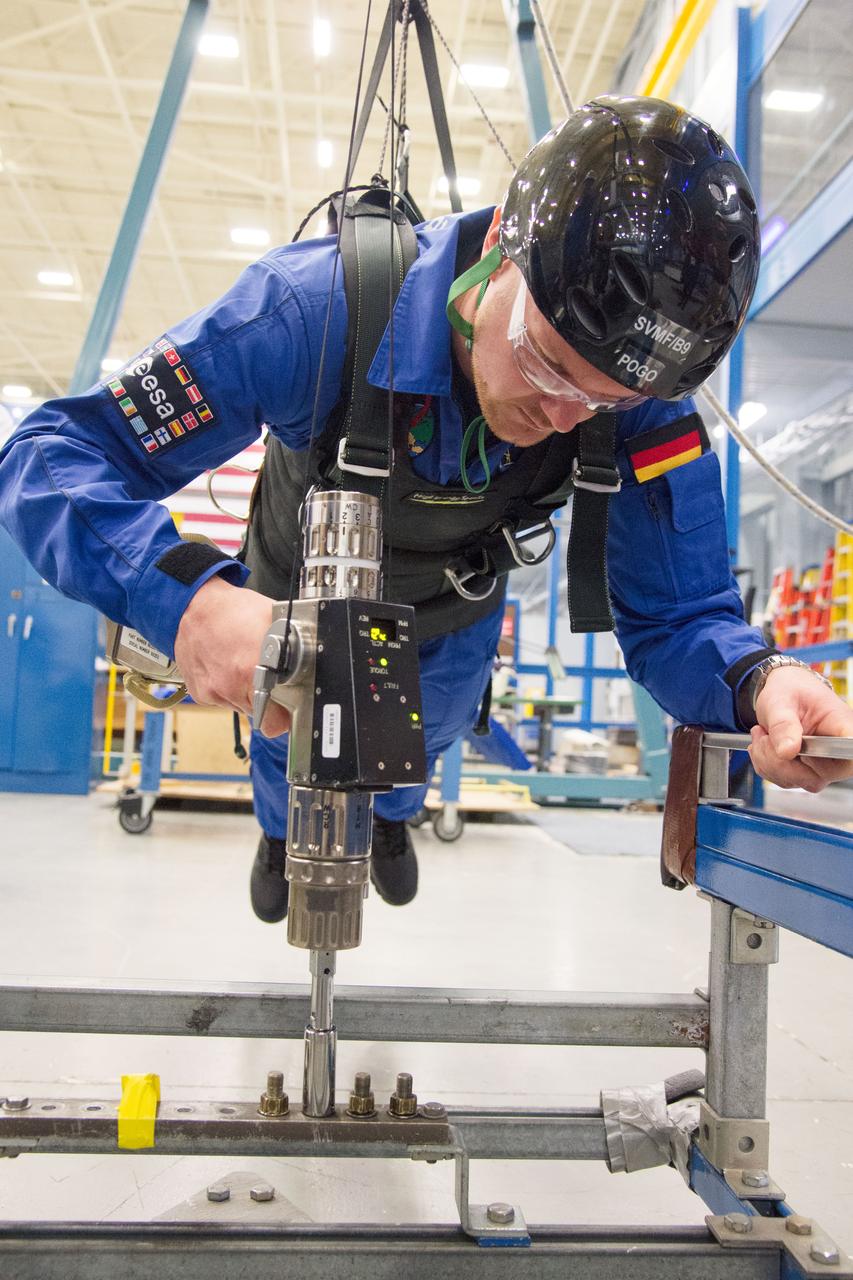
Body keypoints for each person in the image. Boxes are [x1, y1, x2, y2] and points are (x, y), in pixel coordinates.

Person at [2, 96, 851, 925]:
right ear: (498, 258)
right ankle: (275, 834)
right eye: (550, 367)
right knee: (284, 741)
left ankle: (392, 817)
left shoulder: (637, 399)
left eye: (603, 403)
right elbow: (48, 456)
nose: (565, 417)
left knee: (420, 737)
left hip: (451, 616)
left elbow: (677, 615)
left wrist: (757, 680)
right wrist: (187, 598)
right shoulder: (312, 312)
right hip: (290, 598)